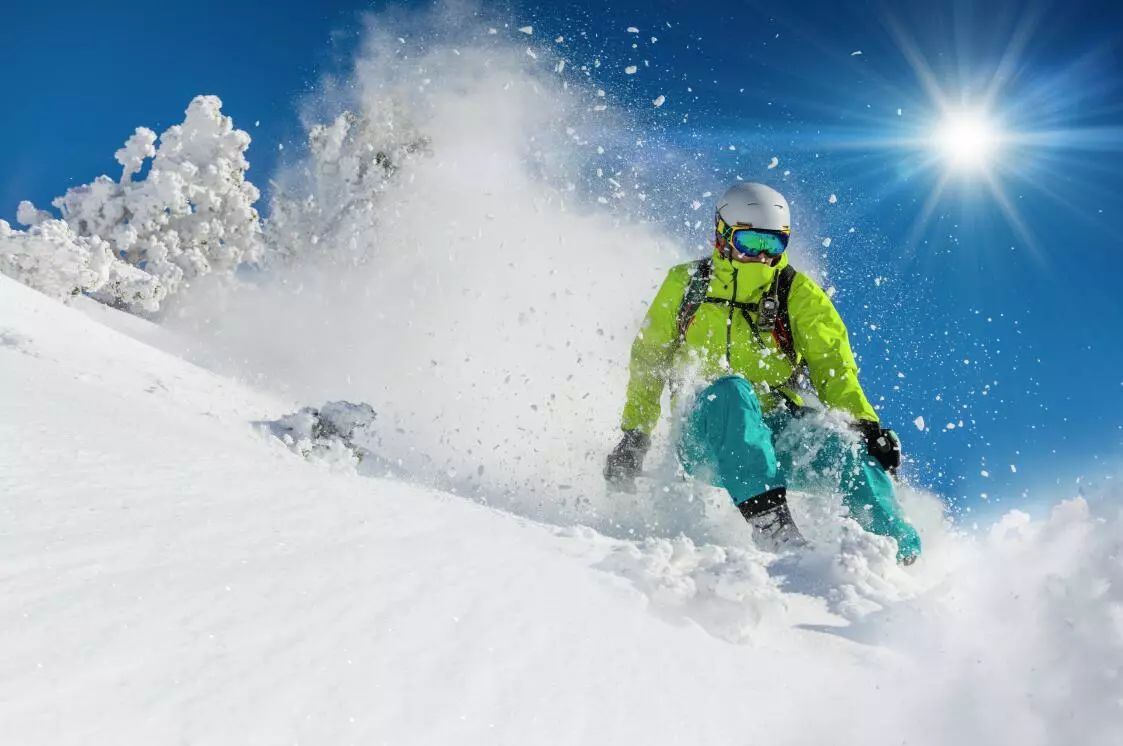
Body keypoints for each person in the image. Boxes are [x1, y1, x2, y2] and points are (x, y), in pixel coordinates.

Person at [604, 182, 922, 565]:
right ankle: (773, 525)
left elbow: (833, 367)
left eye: (773, 245)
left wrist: (866, 426)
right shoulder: (687, 284)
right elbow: (649, 361)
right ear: (722, 236)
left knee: (846, 447)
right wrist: (635, 434)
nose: (760, 256)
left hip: (777, 432)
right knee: (731, 390)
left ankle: (895, 553)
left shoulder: (797, 294)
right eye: (750, 242)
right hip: (705, 435)